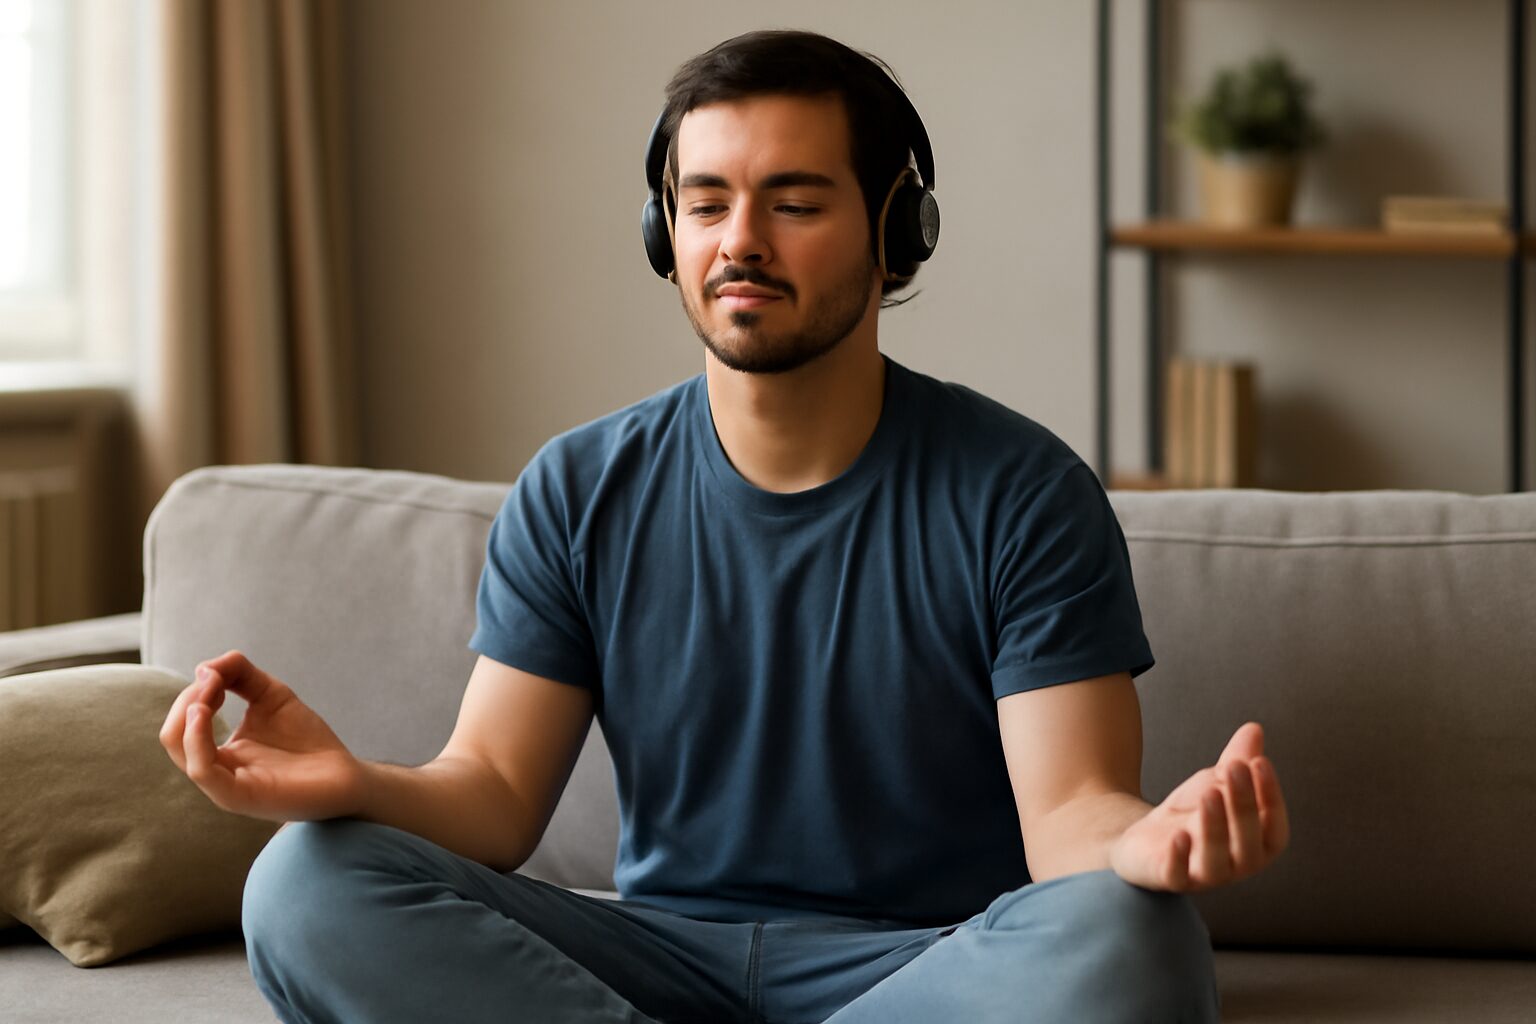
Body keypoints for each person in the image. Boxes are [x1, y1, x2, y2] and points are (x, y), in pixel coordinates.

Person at [160, 29, 1288, 1024]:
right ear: (666, 230)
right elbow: (494, 795)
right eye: (705, 203)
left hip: (929, 965)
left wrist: (1139, 846)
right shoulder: (577, 486)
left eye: (794, 203)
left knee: (1136, 940)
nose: (739, 241)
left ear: (897, 231)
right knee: (305, 882)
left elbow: (1069, 816)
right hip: (655, 952)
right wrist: (349, 780)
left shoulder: (1023, 491)